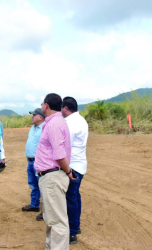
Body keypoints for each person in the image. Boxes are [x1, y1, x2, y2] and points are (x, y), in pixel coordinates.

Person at [34, 93, 75, 250]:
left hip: (53, 176)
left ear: (46, 106)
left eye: (42, 103)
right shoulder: (54, 122)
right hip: (51, 176)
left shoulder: (54, 124)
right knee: (52, 219)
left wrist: (68, 171)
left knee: (57, 222)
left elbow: (59, 154)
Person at [61, 96, 88, 245]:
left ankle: (71, 233)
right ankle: (75, 227)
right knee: (75, 196)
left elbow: (65, 145)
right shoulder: (81, 120)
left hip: (73, 165)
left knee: (70, 198)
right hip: (80, 164)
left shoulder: (70, 123)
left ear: (65, 108)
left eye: (61, 108)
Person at [22, 108, 45, 221]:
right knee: (33, 185)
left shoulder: (45, 128)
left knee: (43, 186)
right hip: (30, 161)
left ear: (40, 117)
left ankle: (45, 211)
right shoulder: (33, 128)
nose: (32, 116)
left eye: (34, 115)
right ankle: (35, 205)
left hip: (39, 162)